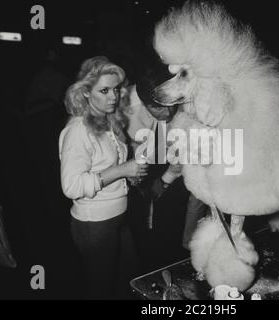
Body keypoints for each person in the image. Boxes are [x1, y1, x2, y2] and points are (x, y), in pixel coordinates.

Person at [59, 56, 148, 299]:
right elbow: (71, 186)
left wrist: (129, 176)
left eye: (117, 89)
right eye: (105, 90)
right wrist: (120, 171)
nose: (114, 96)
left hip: (118, 216)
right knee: (102, 289)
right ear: (86, 93)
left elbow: (108, 168)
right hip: (94, 223)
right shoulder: (78, 130)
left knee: (126, 281)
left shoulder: (109, 121)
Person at [123, 66, 208, 273]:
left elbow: (184, 155)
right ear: (144, 103)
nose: (167, 112)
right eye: (158, 108)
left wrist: (166, 179)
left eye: (170, 105)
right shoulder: (126, 112)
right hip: (134, 164)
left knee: (169, 222)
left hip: (170, 160)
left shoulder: (184, 102)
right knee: (142, 229)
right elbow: (129, 165)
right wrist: (150, 184)